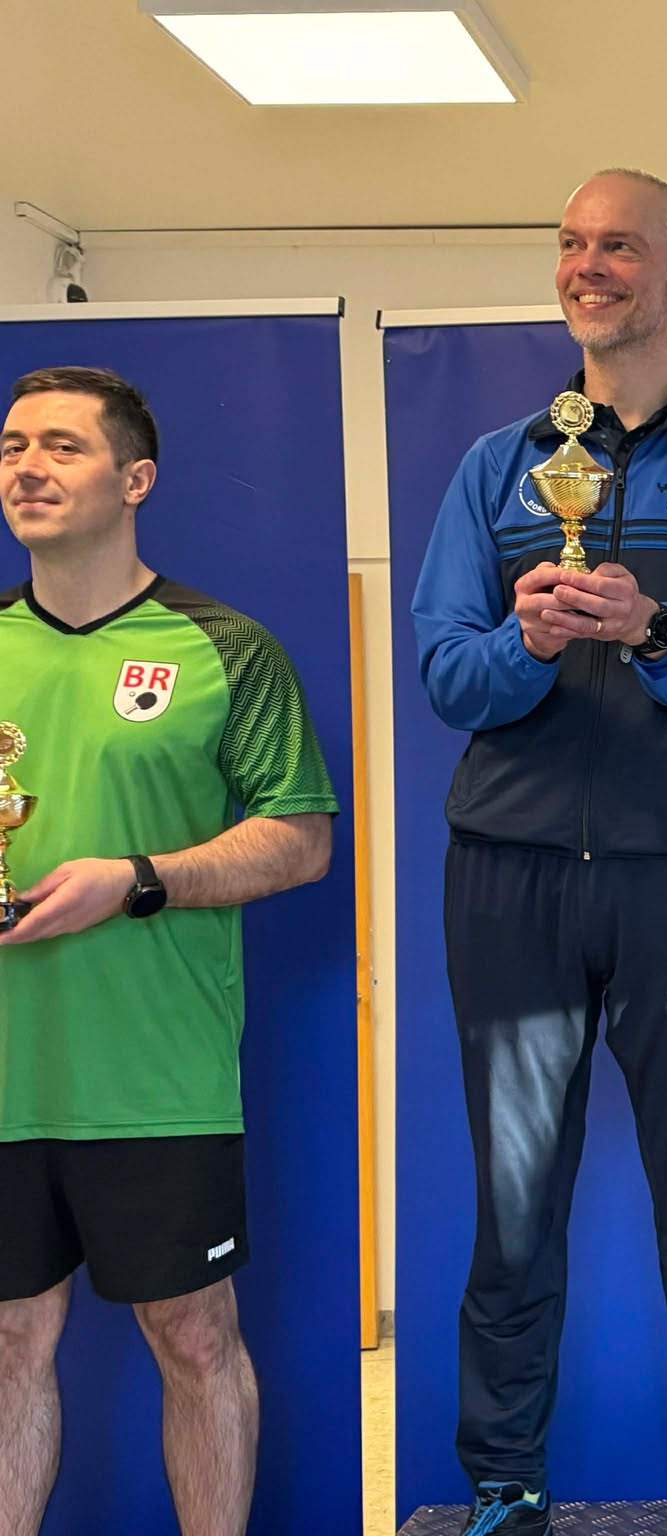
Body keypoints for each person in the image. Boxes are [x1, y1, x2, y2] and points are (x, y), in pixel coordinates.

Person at [412, 168, 667, 1536]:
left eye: (621, 246)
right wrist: (525, 641)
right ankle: (503, 1485)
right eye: (573, 244)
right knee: (514, 1201)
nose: (589, 266)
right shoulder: (500, 464)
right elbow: (447, 675)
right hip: (509, 874)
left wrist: (655, 629)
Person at [0, 365, 337, 1536]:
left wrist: (136, 880)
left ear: (135, 478)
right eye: (12, 448)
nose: (27, 468)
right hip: (6, 1076)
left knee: (193, 1335)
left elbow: (300, 840)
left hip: (157, 1073)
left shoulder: (223, 648)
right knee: (10, 1338)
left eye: (62, 447)